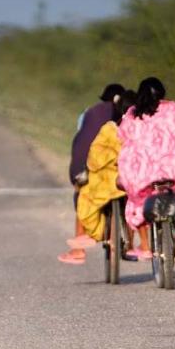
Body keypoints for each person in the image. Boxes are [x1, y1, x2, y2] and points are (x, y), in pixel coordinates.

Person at [117, 77, 175, 261]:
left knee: (138, 201)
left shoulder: (132, 114)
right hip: (174, 170)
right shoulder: (173, 108)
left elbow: (122, 135)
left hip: (143, 173)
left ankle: (144, 246)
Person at [58, 83, 125, 264]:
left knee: (82, 194)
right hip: (120, 166)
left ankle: (78, 248)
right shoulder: (131, 115)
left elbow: (81, 135)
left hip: (88, 164)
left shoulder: (89, 112)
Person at [72, 90, 137, 246]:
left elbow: (93, 153)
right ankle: (135, 244)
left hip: (104, 175)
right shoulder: (139, 127)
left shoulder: (106, 126)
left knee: (85, 196)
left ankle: (83, 239)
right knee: (135, 203)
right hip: (128, 177)